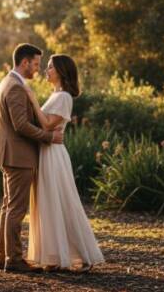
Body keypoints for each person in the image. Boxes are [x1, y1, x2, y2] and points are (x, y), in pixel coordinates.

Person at [23, 54, 105, 272]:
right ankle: (55, 256)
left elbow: (48, 124)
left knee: (63, 201)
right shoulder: (55, 95)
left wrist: (32, 100)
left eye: (50, 67)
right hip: (46, 152)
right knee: (49, 203)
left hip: (54, 155)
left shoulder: (65, 97)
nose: (46, 70)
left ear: (60, 71)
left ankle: (84, 255)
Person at [0, 43, 64, 273]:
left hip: (10, 154)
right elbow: (20, 125)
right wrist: (49, 136)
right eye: (35, 64)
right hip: (18, 155)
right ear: (24, 63)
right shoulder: (15, 87)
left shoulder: (8, 82)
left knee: (8, 206)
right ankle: (13, 260)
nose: (38, 68)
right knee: (16, 209)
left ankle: (5, 257)